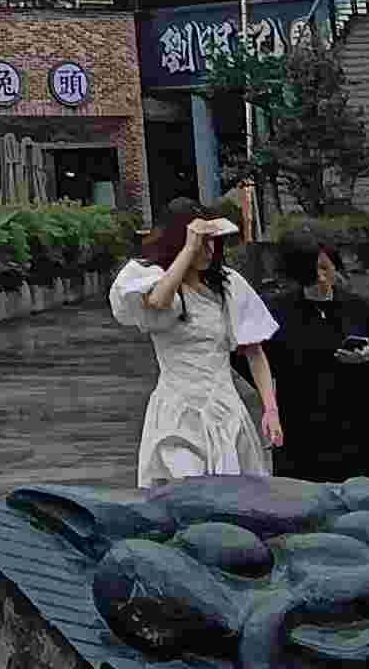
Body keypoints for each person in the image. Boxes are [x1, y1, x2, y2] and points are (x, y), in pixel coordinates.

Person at [108, 198, 280, 484]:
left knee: (231, 495)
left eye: (212, 242)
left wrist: (270, 409)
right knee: (185, 487)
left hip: (224, 409)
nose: (209, 250)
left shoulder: (227, 284)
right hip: (177, 413)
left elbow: (254, 351)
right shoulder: (152, 278)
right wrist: (189, 248)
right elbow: (159, 301)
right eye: (202, 242)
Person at [263, 230, 369, 483]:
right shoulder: (276, 312)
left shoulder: (360, 310)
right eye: (313, 269)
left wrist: (368, 360)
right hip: (301, 432)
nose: (321, 276)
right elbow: (254, 362)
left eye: (325, 268)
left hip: (357, 430)